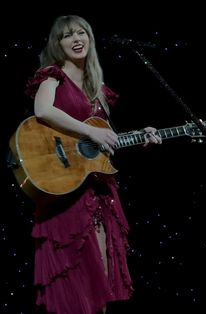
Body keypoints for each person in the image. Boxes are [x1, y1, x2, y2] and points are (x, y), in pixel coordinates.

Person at [25, 14, 162, 314]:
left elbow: (104, 142)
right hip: (65, 190)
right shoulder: (53, 76)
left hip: (98, 190)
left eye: (81, 32)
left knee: (100, 280)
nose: (76, 39)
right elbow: (42, 110)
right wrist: (89, 130)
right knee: (75, 280)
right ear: (57, 44)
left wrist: (141, 137)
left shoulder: (98, 88)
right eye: (67, 35)